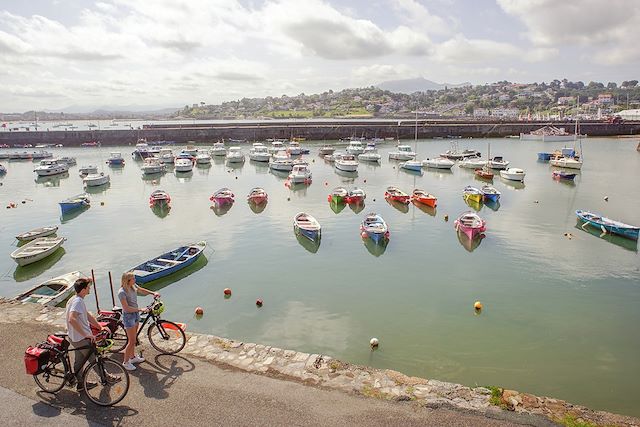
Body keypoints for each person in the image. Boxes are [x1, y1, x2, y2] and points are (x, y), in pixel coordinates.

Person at [65, 277, 105, 391]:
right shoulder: (78, 301)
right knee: (95, 359)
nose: (89, 288)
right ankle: (106, 378)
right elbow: (72, 319)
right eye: (88, 287)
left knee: (79, 361)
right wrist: (86, 334)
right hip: (81, 338)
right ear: (83, 290)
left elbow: (87, 315)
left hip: (74, 337)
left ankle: (81, 384)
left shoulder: (75, 299)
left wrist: (100, 326)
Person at [118, 272, 159, 371]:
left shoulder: (132, 286)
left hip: (135, 314)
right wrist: (141, 309)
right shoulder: (122, 292)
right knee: (131, 341)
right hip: (129, 317)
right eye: (133, 279)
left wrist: (152, 293)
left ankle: (132, 357)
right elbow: (126, 308)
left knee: (134, 338)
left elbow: (141, 290)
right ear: (128, 281)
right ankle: (126, 362)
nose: (135, 280)